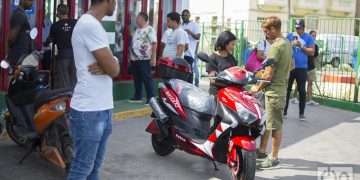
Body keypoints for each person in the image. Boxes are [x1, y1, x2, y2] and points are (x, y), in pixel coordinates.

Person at [68, 0, 119, 179]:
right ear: (108, 1)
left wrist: (112, 63)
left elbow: (113, 65)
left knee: (94, 168)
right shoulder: (89, 25)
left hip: (101, 108)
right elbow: (113, 70)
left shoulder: (93, 24)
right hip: (89, 111)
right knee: (82, 168)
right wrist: (111, 65)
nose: (116, 5)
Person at [249, 16, 293, 169]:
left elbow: (268, 75)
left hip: (274, 92)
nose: (265, 34)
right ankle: (262, 151)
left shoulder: (275, 46)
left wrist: (256, 88)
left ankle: (273, 157)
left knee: (275, 126)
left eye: (266, 31)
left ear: (274, 29)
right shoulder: (287, 43)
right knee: (269, 123)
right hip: (280, 89)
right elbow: (291, 65)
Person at [284, 19, 315, 121]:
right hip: (290, 67)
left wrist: (301, 46)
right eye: (296, 28)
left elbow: (311, 52)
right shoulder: (289, 36)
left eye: (300, 28)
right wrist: (289, 46)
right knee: (287, 89)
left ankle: (301, 113)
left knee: (302, 90)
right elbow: (283, 48)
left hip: (302, 68)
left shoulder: (309, 37)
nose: (298, 30)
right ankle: (284, 111)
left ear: (303, 28)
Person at [45, 4, 77, 89]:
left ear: (58, 12)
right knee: (74, 81)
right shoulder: (75, 23)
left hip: (63, 56)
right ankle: (73, 100)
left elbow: (50, 39)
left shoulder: (55, 25)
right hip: (75, 56)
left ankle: (66, 100)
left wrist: (45, 43)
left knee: (64, 82)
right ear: (67, 12)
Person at [128, 12, 157, 105]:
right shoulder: (137, 29)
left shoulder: (150, 30)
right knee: (137, 79)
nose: (136, 21)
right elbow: (136, 42)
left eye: (137, 19)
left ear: (143, 20)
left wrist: (153, 57)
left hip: (144, 59)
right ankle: (137, 97)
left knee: (147, 78)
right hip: (134, 59)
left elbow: (154, 43)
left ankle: (151, 98)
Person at [206, 31, 237, 100]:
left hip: (230, 93)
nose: (233, 47)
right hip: (217, 94)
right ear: (225, 43)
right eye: (232, 45)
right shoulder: (212, 58)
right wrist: (230, 84)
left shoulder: (231, 57)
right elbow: (213, 80)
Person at [291, 30, 319, 105]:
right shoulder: (304, 44)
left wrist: (314, 67)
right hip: (303, 67)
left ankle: (309, 100)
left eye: (315, 36)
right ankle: (294, 97)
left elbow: (314, 57)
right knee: (300, 83)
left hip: (311, 67)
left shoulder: (315, 46)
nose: (313, 37)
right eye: (312, 35)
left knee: (310, 83)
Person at [7, 0, 34, 66]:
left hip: (22, 57)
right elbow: (11, 38)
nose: (32, 3)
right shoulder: (19, 14)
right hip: (19, 58)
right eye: (30, 0)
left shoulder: (21, 13)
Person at [181, 9, 200, 84]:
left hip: (189, 53)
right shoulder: (180, 25)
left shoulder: (194, 25)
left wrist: (190, 32)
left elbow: (198, 37)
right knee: (182, 72)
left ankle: (190, 87)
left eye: (186, 15)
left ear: (189, 16)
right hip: (181, 53)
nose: (184, 17)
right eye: (183, 15)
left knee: (189, 71)